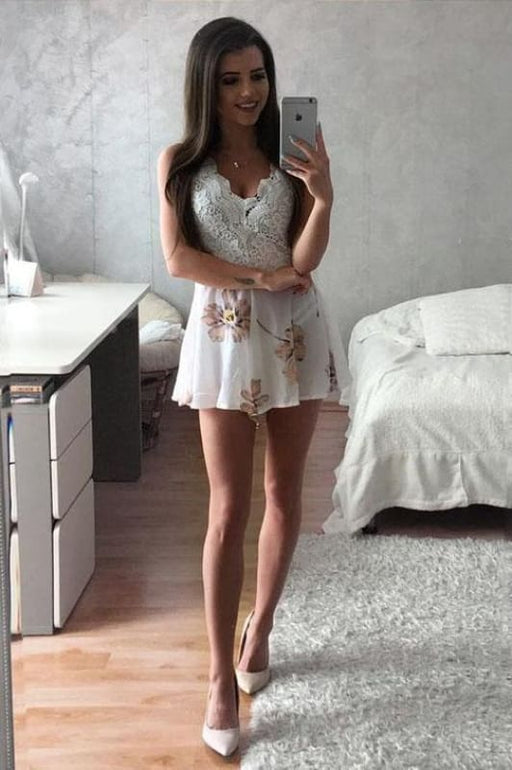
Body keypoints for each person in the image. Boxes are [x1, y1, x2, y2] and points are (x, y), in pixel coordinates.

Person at [157, 16, 333, 757]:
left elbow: (305, 261)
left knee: (284, 493)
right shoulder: (179, 161)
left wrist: (323, 196)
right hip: (223, 339)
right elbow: (179, 259)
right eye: (230, 79)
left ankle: (259, 631)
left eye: (257, 75)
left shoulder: (291, 154)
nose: (248, 92)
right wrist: (258, 278)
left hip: (294, 335)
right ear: (207, 85)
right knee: (227, 509)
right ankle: (218, 680)